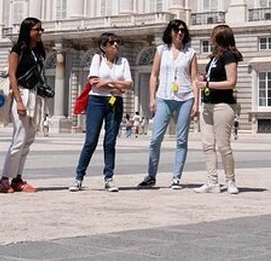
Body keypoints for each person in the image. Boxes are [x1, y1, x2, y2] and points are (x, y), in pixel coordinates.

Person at [69, 32, 133, 192]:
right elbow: (94, 83)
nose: (116, 45)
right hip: (96, 101)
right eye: (112, 43)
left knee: (110, 142)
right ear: (104, 46)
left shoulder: (123, 61)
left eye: (117, 42)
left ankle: (109, 178)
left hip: (115, 103)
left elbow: (129, 84)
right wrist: (117, 86)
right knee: (90, 141)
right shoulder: (97, 59)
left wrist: (110, 82)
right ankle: (78, 177)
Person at [139, 19, 198, 190]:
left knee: (181, 140)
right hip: (163, 97)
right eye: (177, 30)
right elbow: (153, 75)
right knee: (155, 139)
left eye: (183, 30)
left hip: (185, 97)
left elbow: (194, 79)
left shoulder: (190, 53)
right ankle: (151, 176)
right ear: (170, 32)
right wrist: (152, 98)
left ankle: (176, 178)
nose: (180, 33)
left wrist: (196, 103)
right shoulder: (161, 50)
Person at [0, 17, 48, 193]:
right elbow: (12, 75)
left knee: (28, 139)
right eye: (37, 29)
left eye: (41, 29)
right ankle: (4, 179)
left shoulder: (40, 51)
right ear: (28, 31)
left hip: (34, 95)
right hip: (22, 93)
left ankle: (18, 178)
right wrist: (19, 100)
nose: (40, 32)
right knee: (19, 138)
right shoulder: (18, 49)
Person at [193, 24, 242, 195]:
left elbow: (231, 82)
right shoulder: (214, 57)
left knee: (223, 145)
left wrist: (206, 84)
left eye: (213, 34)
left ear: (220, 37)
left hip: (223, 104)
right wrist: (205, 78)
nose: (210, 37)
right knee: (207, 144)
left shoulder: (229, 56)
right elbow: (214, 78)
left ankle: (230, 181)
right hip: (207, 104)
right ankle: (212, 181)